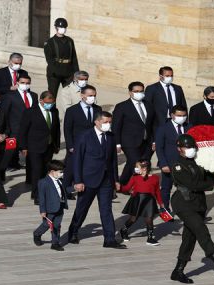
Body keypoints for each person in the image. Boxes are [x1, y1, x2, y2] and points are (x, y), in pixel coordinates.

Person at [169, 134, 214, 284]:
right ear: (180, 149)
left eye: (192, 147)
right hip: (183, 204)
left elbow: (209, 176)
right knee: (201, 230)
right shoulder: (178, 166)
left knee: (189, 238)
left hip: (197, 204)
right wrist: (212, 184)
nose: (191, 150)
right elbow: (193, 184)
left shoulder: (198, 162)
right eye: (187, 147)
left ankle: (178, 271)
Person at [66, 111, 126, 249]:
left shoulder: (110, 137)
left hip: (106, 180)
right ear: (97, 122)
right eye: (105, 122)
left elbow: (113, 160)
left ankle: (109, 239)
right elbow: (77, 160)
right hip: (88, 179)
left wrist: (115, 179)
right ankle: (73, 232)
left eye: (110, 122)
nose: (108, 125)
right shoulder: (85, 136)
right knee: (82, 208)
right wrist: (78, 181)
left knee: (106, 209)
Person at [19, 91, 60, 204]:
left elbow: (56, 129)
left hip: (49, 146)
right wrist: (23, 147)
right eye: (47, 103)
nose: (50, 105)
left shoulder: (54, 111)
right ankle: (36, 194)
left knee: (45, 170)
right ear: (41, 101)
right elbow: (23, 130)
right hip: (34, 146)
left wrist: (56, 145)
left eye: (52, 103)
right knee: (37, 170)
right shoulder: (30, 112)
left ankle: (43, 191)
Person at [113, 81, 155, 186]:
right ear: (130, 92)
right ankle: (136, 186)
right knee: (137, 163)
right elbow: (116, 126)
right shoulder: (122, 106)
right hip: (129, 141)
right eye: (136, 91)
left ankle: (123, 182)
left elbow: (153, 124)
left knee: (133, 162)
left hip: (146, 140)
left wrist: (154, 140)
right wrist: (117, 143)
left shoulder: (149, 105)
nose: (139, 93)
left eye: (141, 91)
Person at [62, 85, 101, 193]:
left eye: (94, 95)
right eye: (90, 95)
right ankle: (65, 190)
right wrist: (70, 146)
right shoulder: (72, 110)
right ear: (82, 95)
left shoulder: (98, 109)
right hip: (76, 145)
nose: (92, 98)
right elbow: (67, 129)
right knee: (70, 168)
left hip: (91, 144)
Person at [118, 160, 163, 246]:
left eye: (137, 167)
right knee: (133, 219)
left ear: (144, 168)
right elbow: (127, 188)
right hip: (138, 199)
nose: (135, 169)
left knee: (149, 219)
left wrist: (161, 203)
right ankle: (123, 230)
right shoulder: (135, 177)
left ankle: (150, 238)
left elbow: (157, 191)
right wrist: (119, 188)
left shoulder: (155, 178)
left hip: (149, 200)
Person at [0, 74, 37, 173]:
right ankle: (0, 173)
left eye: (27, 83)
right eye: (23, 83)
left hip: (29, 131)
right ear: (17, 83)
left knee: (29, 154)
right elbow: (4, 114)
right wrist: (5, 130)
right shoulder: (9, 96)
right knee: (9, 153)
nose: (25, 85)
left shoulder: (34, 95)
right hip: (14, 132)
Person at [155, 106, 190, 211]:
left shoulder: (189, 126)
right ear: (172, 115)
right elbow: (159, 148)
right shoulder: (163, 128)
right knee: (166, 188)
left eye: (184, 115)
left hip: (186, 163)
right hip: (169, 164)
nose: (182, 118)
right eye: (179, 115)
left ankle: (186, 208)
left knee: (186, 187)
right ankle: (164, 209)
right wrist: (163, 163)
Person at [34, 160, 68, 251]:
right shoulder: (43, 182)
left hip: (60, 206)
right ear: (52, 172)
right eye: (60, 172)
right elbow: (42, 198)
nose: (62, 174)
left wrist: (74, 188)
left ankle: (55, 243)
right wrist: (42, 210)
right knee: (46, 224)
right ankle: (37, 234)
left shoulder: (60, 181)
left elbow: (64, 191)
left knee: (57, 225)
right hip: (49, 209)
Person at [44, 17, 79, 97]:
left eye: (64, 27)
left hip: (68, 71)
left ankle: (69, 109)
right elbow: (49, 60)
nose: (62, 29)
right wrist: (56, 72)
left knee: (70, 94)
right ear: (56, 28)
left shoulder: (70, 41)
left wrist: (76, 72)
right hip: (55, 72)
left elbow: (74, 57)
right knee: (52, 95)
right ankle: (52, 109)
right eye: (60, 27)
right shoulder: (49, 42)